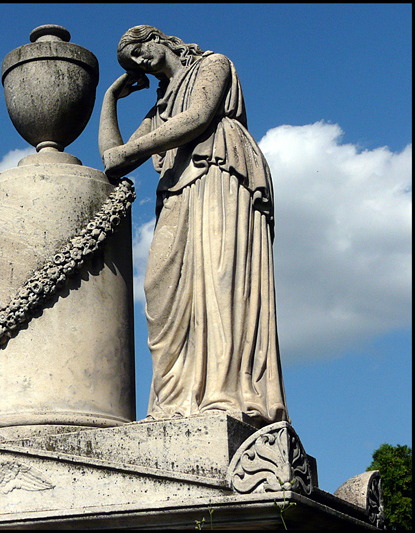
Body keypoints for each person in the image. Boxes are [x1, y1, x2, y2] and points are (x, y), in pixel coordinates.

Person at [99, 25, 288, 426]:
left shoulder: (212, 65)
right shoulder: (160, 108)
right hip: (177, 189)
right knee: (160, 290)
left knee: (220, 283)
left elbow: (199, 117)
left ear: (157, 38)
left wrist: (134, 148)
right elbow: (113, 159)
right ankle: (173, 402)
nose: (139, 62)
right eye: (131, 62)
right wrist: (110, 98)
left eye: (138, 51)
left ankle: (224, 394)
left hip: (218, 169)